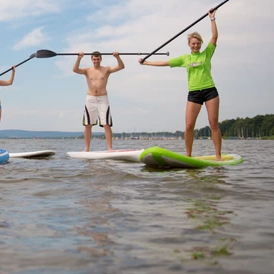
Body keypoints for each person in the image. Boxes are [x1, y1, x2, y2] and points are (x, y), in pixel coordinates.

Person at [139, 9, 222, 160]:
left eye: (198, 43)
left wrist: (212, 18)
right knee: (189, 126)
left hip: (210, 91)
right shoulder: (185, 58)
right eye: (193, 44)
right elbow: (164, 63)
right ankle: (188, 155)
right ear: (189, 45)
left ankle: (218, 156)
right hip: (194, 93)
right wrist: (147, 63)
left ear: (201, 44)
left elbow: (215, 36)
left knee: (213, 124)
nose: (196, 46)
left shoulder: (207, 53)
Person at [73, 51, 125, 152]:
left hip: (103, 99)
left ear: (100, 59)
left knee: (106, 124)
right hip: (90, 99)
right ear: (92, 59)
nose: (96, 61)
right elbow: (75, 69)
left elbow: (121, 66)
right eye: (94, 59)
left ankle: (110, 148)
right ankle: (86, 148)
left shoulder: (106, 69)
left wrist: (117, 57)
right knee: (88, 124)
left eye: (97, 59)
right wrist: (79, 58)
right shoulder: (87, 70)